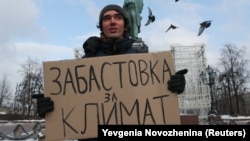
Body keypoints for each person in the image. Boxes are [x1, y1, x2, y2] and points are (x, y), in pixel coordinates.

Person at [33, 4, 188, 141]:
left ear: (125, 24)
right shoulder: (86, 61)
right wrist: (50, 109)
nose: (112, 21)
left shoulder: (144, 57)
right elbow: (74, 106)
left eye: (118, 17)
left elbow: (156, 98)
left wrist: (174, 86)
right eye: (107, 18)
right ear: (101, 26)